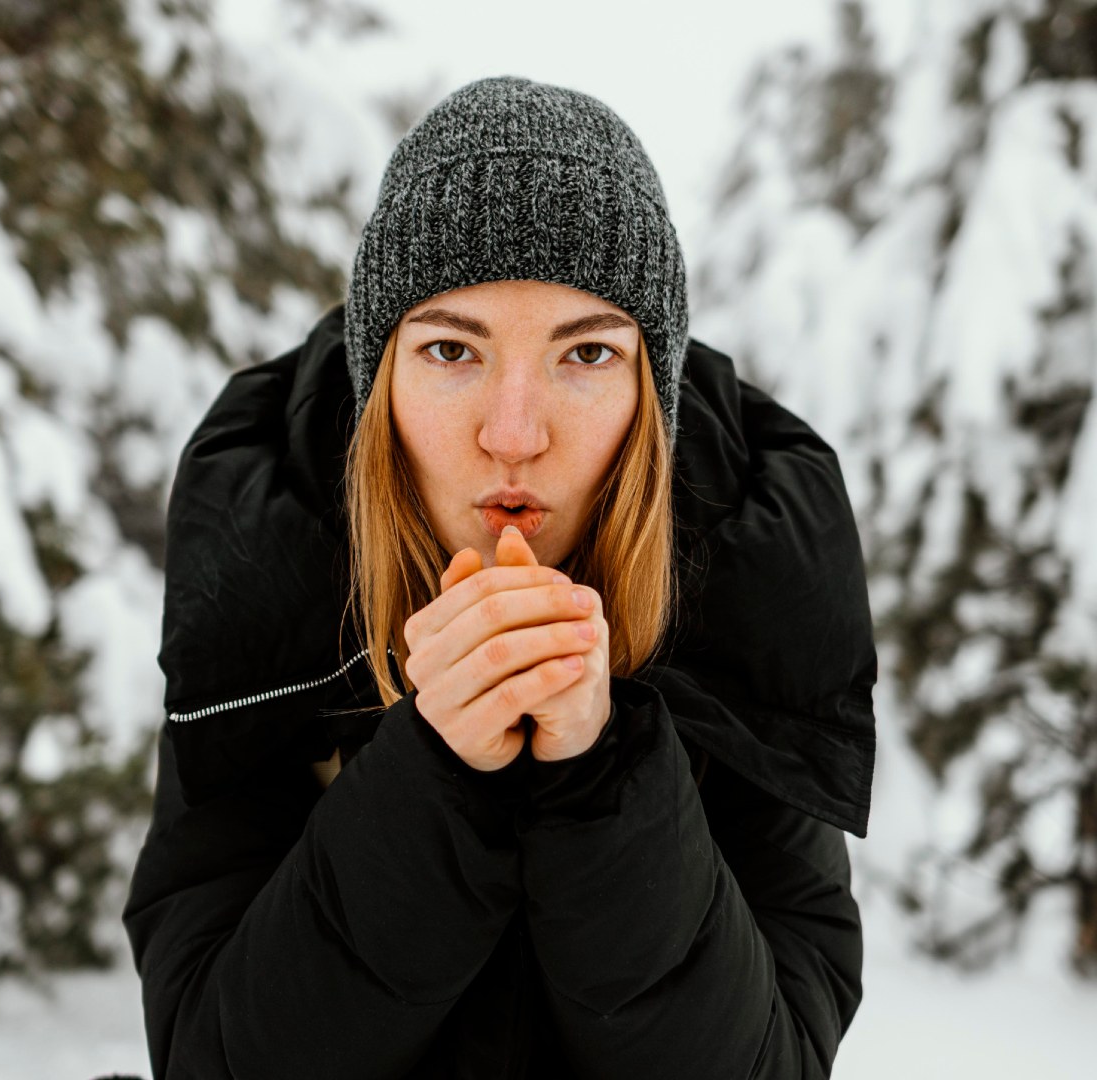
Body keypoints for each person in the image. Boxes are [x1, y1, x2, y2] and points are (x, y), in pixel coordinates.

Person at [123, 75, 877, 1079]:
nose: (513, 435)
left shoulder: (746, 583)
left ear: (650, 394)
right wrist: (429, 777)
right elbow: (213, 1058)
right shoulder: (274, 569)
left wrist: (603, 773)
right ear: (378, 378)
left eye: (587, 356)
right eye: (450, 349)